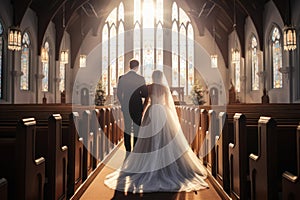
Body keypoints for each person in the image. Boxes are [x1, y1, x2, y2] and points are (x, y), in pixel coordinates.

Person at [105, 70, 209, 193]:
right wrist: (170, 114)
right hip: (164, 112)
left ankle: (147, 163)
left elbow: (147, 100)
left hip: (152, 111)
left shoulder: (149, 87)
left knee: (148, 139)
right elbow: (168, 103)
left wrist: (144, 112)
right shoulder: (165, 88)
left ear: (153, 77)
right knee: (168, 137)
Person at [117, 59, 148, 152]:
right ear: (137, 67)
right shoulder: (140, 78)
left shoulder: (122, 77)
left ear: (129, 66)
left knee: (127, 127)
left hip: (126, 106)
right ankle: (135, 148)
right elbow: (145, 94)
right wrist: (139, 94)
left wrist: (123, 103)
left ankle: (127, 150)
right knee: (136, 128)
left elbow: (118, 93)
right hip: (137, 106)